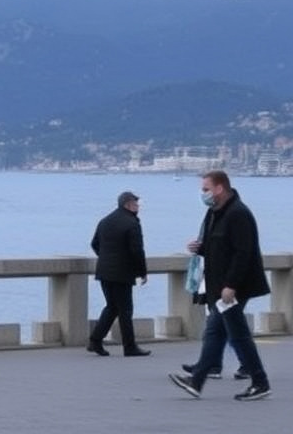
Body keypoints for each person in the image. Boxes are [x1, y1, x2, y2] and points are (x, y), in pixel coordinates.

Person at [169, 170, 272, 400]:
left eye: (206, 189)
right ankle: (196, 381)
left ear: (219, 188)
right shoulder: (214, 213)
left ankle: (260, 382)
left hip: (233, 288)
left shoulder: (238, 214)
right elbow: (218, 247)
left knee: (238, 335)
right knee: (215, 333)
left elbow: (243, 253)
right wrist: (200, 248)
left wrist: (231, 285)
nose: (202, 193)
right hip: (220, 287)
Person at [86, 191, 151, 357]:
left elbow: (94, 244)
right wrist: (142, 272)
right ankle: (129, 347)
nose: (138, 207)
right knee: (125, 310)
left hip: (104, 272)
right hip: (122, 274)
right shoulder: (132, 223)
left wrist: (106, 258)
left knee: (112, 307)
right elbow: (137, 250)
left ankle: (95, 340)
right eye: (136, 204)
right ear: (128, 205)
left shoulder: (105, 221)